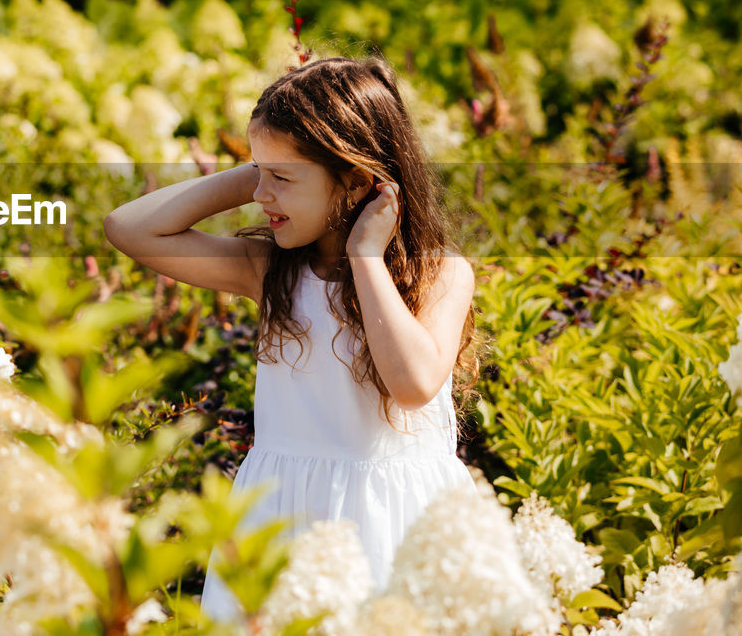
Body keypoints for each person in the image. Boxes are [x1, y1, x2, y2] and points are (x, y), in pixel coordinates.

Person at [103, 54, 483, 624]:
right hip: (283, 516)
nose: (263, 195)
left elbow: (412, 384)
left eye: (282, 179)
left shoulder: (441, 275)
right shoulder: (269, 270)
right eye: (260, 174)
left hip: (395, 520)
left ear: (358, 183)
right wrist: (264, 166)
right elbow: (129, 228)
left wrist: (364, 257)